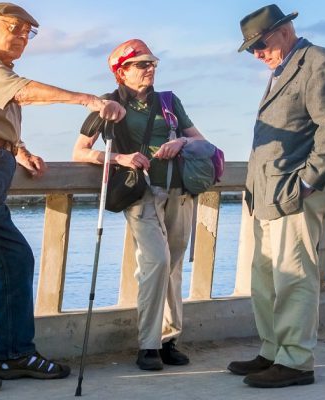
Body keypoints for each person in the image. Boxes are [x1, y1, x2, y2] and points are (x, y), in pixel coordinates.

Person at [0, 2, 125, 393]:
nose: (21, 36)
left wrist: (18, 150)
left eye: (28, 32)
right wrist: (89, 100)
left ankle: (15, 356)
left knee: (15, 257)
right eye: (14, 27)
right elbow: (22, 94)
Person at [227, 4, 325, 388]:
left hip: (294, 195)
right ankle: (273, 351)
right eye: (251, 50)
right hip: (266, 195)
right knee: (264, 280)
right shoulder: (282, 68)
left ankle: (296, 361)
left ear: (283, 31)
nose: (257, 54)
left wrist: (306, 183)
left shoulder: (318, 62)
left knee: (294, 279)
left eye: (260, 45)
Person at [73, 39, 206, 371]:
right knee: (157, 262)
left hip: (180, 191)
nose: (150, 69)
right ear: (122, 71)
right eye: (142, 64)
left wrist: (181, 141)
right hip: (141, 193)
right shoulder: (107, 103)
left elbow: (201, 142)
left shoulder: (169, 101)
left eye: (153, 64)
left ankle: (169, 340)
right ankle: (148, 345)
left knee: (173, 267)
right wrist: (119, 157)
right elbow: (80, 151)